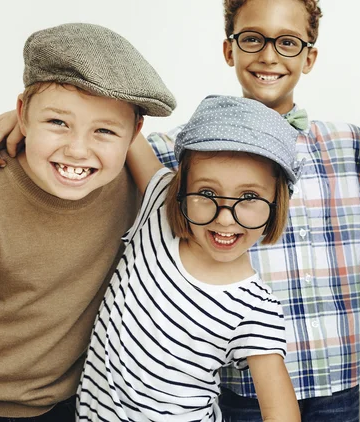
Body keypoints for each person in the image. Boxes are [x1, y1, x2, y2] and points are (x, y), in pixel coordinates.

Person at [0, 1, 360, 420]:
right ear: (229, 48)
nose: (226, 215)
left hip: (337, 370)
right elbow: (105, 134)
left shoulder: (345, 143)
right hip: (232, 390)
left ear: (309, 56)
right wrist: (25, 120)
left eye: (287, 42)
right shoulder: (174, 164)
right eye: (253, 38)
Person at [0, 22, 176, 421]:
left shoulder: (133, 187)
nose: (77, 150)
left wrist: (51, 118)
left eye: (104, 131)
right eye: (58, 123)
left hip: (78, 404)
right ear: (22, 113)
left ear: (134, 134)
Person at [77, 94, 301, 422]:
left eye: (249, 197)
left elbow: (281, 412)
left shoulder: (256, 309)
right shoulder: (159, 205)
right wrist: (31, 125)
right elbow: (118, 126)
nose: (225, 218)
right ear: (180, 191)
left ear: (277, 204)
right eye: (207, 193)